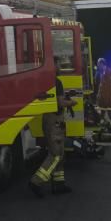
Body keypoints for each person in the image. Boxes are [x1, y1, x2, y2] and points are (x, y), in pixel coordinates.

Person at [29, 57, 77, 197]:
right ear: (53, 65)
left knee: (61, 154)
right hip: (55, 121)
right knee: (56, 154)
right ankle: (36, 181)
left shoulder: (46, 81)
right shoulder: (57, 82)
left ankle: (59, 184)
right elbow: (61, 102)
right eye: (58, 64)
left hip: (50, 120)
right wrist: (72, 103)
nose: (61, 67)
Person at [95, 57, 111, 125]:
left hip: (108, 97)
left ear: (102, 64)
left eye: (98, 64)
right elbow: (101, 85)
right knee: (101, 112)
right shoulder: (101, 72)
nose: (97, 65)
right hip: (103, 97)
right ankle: (103, 126)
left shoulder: (109, 71)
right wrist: (98, 94)